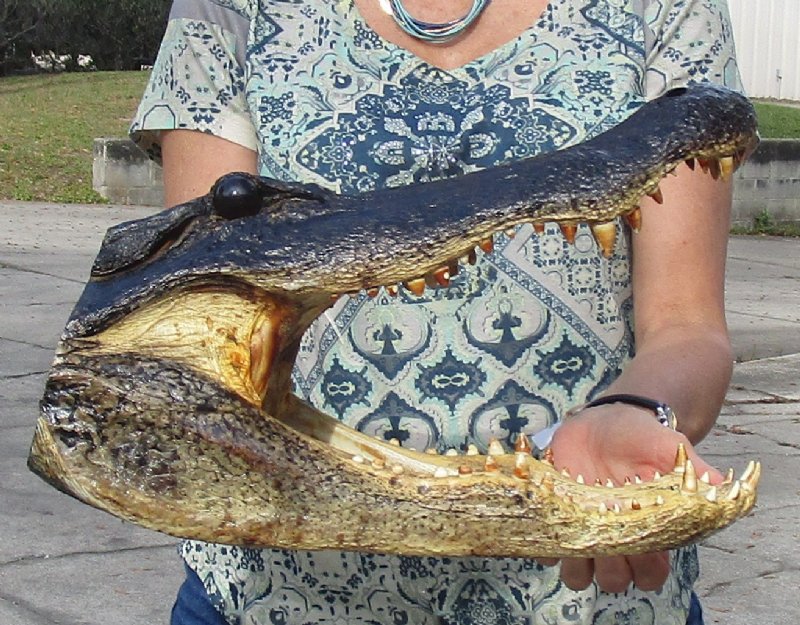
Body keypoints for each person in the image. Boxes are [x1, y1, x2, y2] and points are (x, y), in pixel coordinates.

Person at [130, 0, 743, 623]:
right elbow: (209, 326)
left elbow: (686, 326)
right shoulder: (231, 9)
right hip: (272, 594)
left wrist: (634, 409)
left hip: (583, 596)